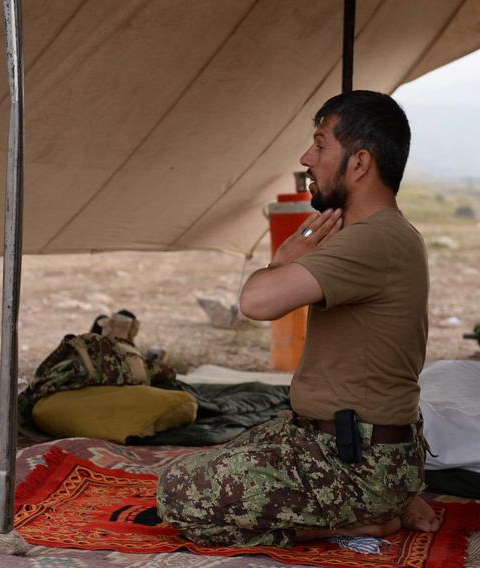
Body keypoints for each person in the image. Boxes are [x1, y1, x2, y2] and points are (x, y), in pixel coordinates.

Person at [156, 90, 438, 547]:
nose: (308, 158)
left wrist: (283, 257)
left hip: (353, 460)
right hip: (343, 443)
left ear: (360, 163)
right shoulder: (380, 234)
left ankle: (361, 515)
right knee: (225, 458)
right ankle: (389, 495)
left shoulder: (373, 240)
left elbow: (256, 303)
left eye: (322, 145)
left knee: (178, 494)